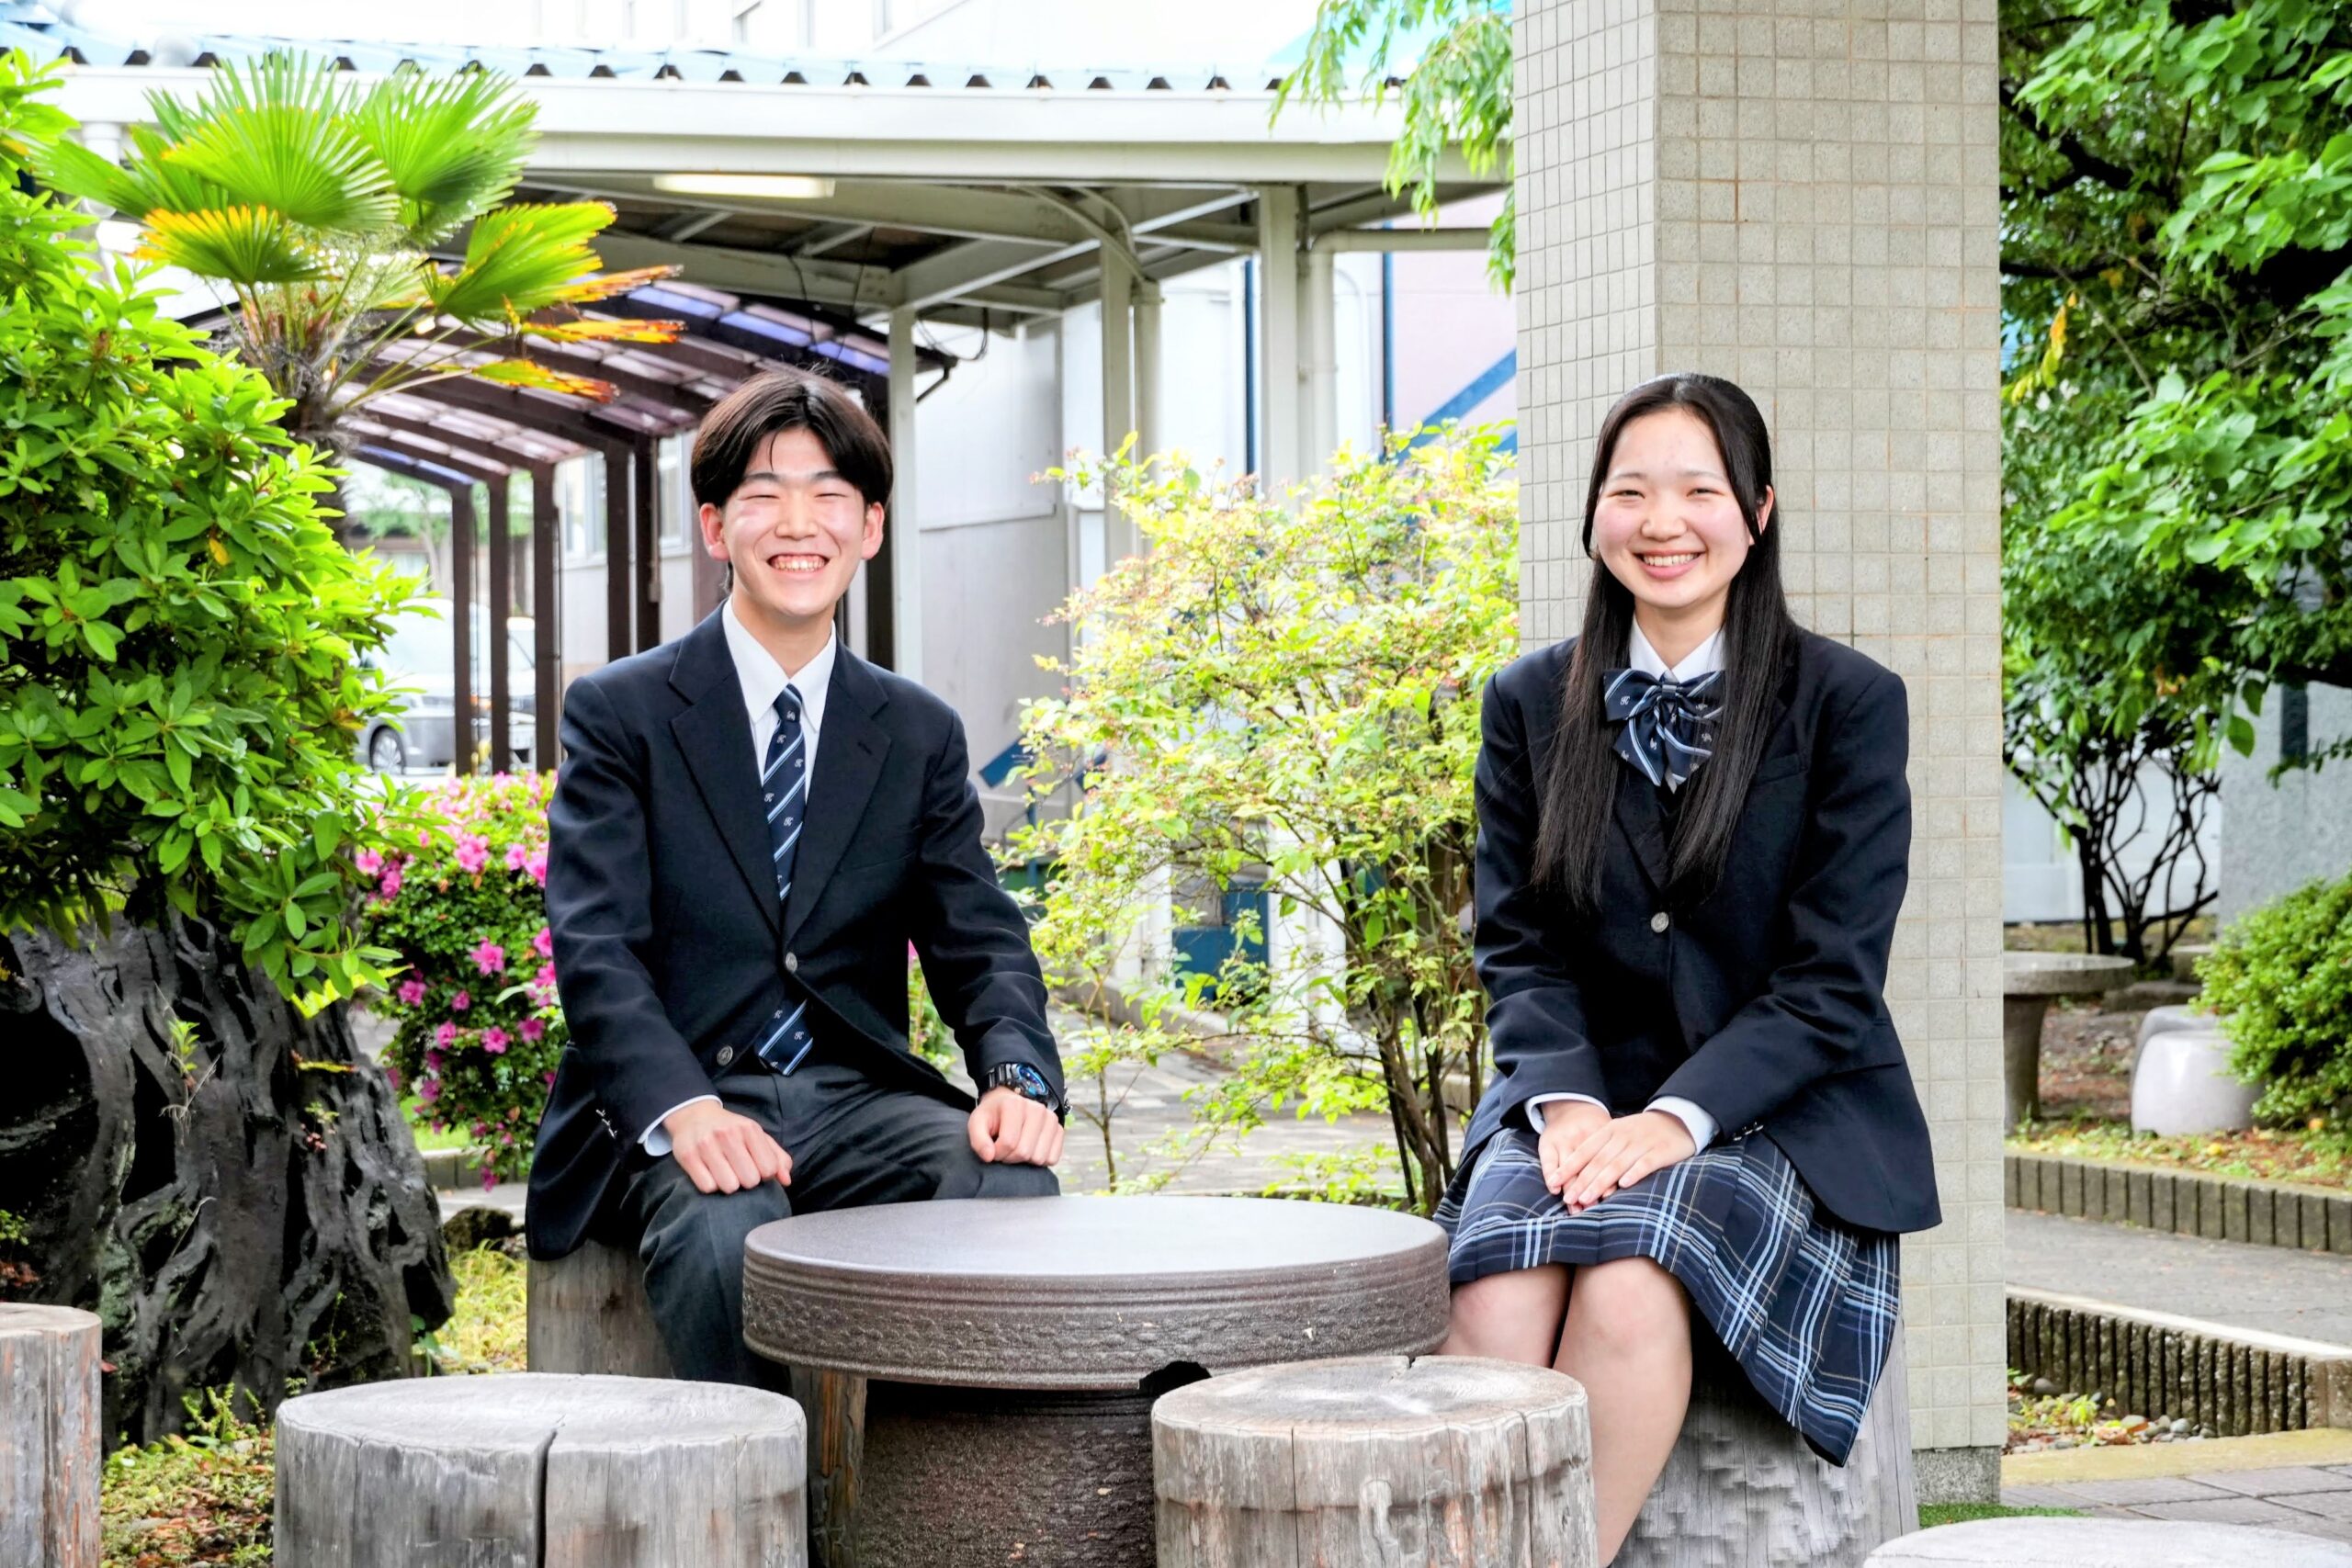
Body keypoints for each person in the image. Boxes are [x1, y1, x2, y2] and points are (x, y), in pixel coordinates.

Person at [1438, 372, 1939, 1562]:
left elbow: (1832, 980)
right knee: (1495, 1291)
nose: (1663, 521)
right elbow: (1516, 939)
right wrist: (1564, 1103)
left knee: (1626, 1277)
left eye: (1698, 489)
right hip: (1579, 1097)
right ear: (1594, 515)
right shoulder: (1527, 701)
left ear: (1757, 511)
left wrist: (1674, 1119)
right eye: (1631, 490)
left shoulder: (1849, 703)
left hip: (1782, 1109)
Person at [526, 367, 1066, 1388]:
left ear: (869, 527)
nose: (797, 522)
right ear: (717, 524)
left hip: (852, 1099)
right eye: (765, 494)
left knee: (1008, 1187)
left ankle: (928, 1495)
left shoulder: (912, 730)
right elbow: (593, 947)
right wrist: (683, 1109)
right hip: (692, 1093)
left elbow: (978, 937)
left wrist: (1017, 1077)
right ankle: (778, 1514)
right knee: (731, 1232)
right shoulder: (621, 712)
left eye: (828, 496)